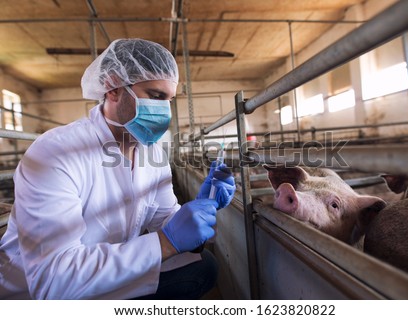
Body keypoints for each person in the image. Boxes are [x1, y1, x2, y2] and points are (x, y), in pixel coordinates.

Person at [0, 39, 235, 299]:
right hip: (38, 293)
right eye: (155, 96)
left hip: (106, 270)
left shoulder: (151, 150)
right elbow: (53, 281)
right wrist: (166, 242)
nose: (164, 111)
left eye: (168, 100)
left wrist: (204, 207)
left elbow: (166, 217)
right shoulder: (56, 153)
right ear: (113, 88)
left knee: (203, 268)